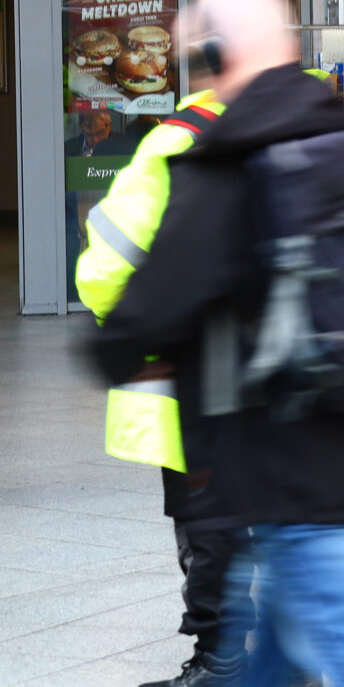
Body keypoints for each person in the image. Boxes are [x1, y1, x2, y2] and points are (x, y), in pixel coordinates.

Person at [90, 0, 344, 687]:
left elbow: (156, 299)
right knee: (280, 640)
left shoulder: (226, 154)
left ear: (216, 51)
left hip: (287, 451)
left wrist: (114, 351)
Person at [75, 85, 232, 687]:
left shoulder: (176, 142)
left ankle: (221, 661)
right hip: (285, 382)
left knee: (208, 521)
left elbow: (107, 263)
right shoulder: (306, 127)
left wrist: (130, 334)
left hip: (188, 376)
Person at [66, 109, 136, 157]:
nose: (95, 140)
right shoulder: (67, 149)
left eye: (100, 133)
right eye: (89, 135)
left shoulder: (126, 148)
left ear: (109, 127)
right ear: (81, 127)